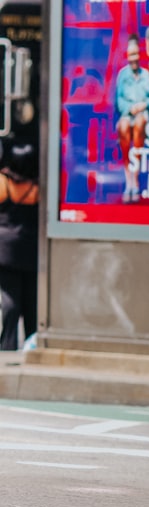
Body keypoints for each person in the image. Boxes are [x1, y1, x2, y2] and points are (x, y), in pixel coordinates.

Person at [0, 140, 39, 351]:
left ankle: (7, 345)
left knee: (10, 301)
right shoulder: (38, 188)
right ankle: (32, 345)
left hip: (5, 251)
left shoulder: (3, 184)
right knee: (32, 302)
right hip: (32, 250)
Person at [115, 36, 149, 203]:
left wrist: (143, 105)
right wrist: (130, 108)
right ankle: (128, 177)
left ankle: (136, 175)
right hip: (127, 114)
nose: (134, 58)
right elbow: (118, 101)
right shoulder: (122, 75)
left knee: (139, 125)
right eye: (131, 55)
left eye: (136, 55)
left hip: (142, 116)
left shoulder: (146, 75)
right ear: (127, 56)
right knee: (124, 127)